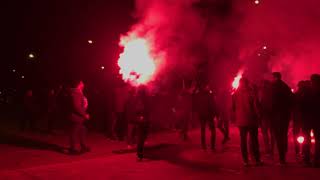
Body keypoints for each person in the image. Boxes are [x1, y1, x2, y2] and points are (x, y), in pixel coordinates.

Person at [232, 78, 262, 166]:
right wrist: (259, 116)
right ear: (247, 83)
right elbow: (256, 106)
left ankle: (245, 160)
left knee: (243, 141)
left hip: (241, 121)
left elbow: (233, 108)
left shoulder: (235, 94)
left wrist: (236, 117)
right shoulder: (251, 93)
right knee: (254, 141)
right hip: (251, 120)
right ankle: (257, 160)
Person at [270, 72, 293, 165]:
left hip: (276, 116)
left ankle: (281, 158)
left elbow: (270, 102)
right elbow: (291, 100)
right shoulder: (285, 87)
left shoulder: (272, 87)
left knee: (278, 136)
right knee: (283, 136)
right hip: (285, 116)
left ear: (275, 77)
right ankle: (283, 156)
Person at [126, 86, 150, 160]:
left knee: (141, 135)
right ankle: (139, 153)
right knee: (141, 136)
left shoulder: (141, 98)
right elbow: (139, 108)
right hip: (141, 119)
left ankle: (139, 151)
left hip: (142, 119)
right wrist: (140, 116)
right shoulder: (139, 99)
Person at [68, 80, 90, 155]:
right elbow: (76, 107)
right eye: (82, 83)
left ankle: (83, 146)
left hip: (79, 117)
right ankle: (72, 149)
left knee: (83, 130)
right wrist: (84, 114)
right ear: (79, 84)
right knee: (74, 132)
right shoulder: (76, 93)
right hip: (76, 117)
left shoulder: (79, 92)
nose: (83, 84)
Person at [194, 83, 217, 151]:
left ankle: (203, 145)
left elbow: (196, 105)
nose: (208, 87)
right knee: (213, 131)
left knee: (203, 130)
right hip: (209, 115)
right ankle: (212, 147)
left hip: (202, 115)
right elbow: (213, 105)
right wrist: (215, 114)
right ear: (205, 87)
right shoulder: (210, 95)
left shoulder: (198, 95)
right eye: (207, 86)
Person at [258, 80, 275, 155]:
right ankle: (271, 148)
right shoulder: (273, 92)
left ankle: (267, 148)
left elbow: (259, 103)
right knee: (272, 133)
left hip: (265, 115)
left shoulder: (261, 92)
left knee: (265, 133)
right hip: (271, 115)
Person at [308, 74, 320, 167]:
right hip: (315, 119)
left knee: (318, 140)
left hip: (315, 119)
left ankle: (316, 160)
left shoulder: (312, 92)